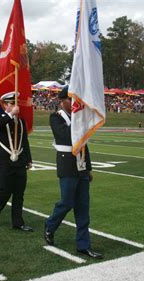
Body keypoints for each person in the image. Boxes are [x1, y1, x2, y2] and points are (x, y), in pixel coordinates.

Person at [44, 86, 103, 259]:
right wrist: (80, 122)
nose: (74, 104)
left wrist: (88, 168)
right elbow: (64, 136)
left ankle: (83, 244)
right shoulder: (56, 117)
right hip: (67, 165)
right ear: (62, 101)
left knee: (83, 207)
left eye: (76, 101)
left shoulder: (78, 118)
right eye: (71, 100)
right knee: (67, 202)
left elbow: (84, 144)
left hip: (81, 165)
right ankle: (50, 225)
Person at [0, 91, 33, 232]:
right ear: (5, 105)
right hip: (5, 161)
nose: (16, 106)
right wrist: (10, 115)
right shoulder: (0, 117)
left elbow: (24, 142)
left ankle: (18, 222)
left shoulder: (20, 121)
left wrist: (28, 159)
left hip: (19, 160)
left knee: (19, 193)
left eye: (16, 103)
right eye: (12, 103)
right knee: (5, 190)